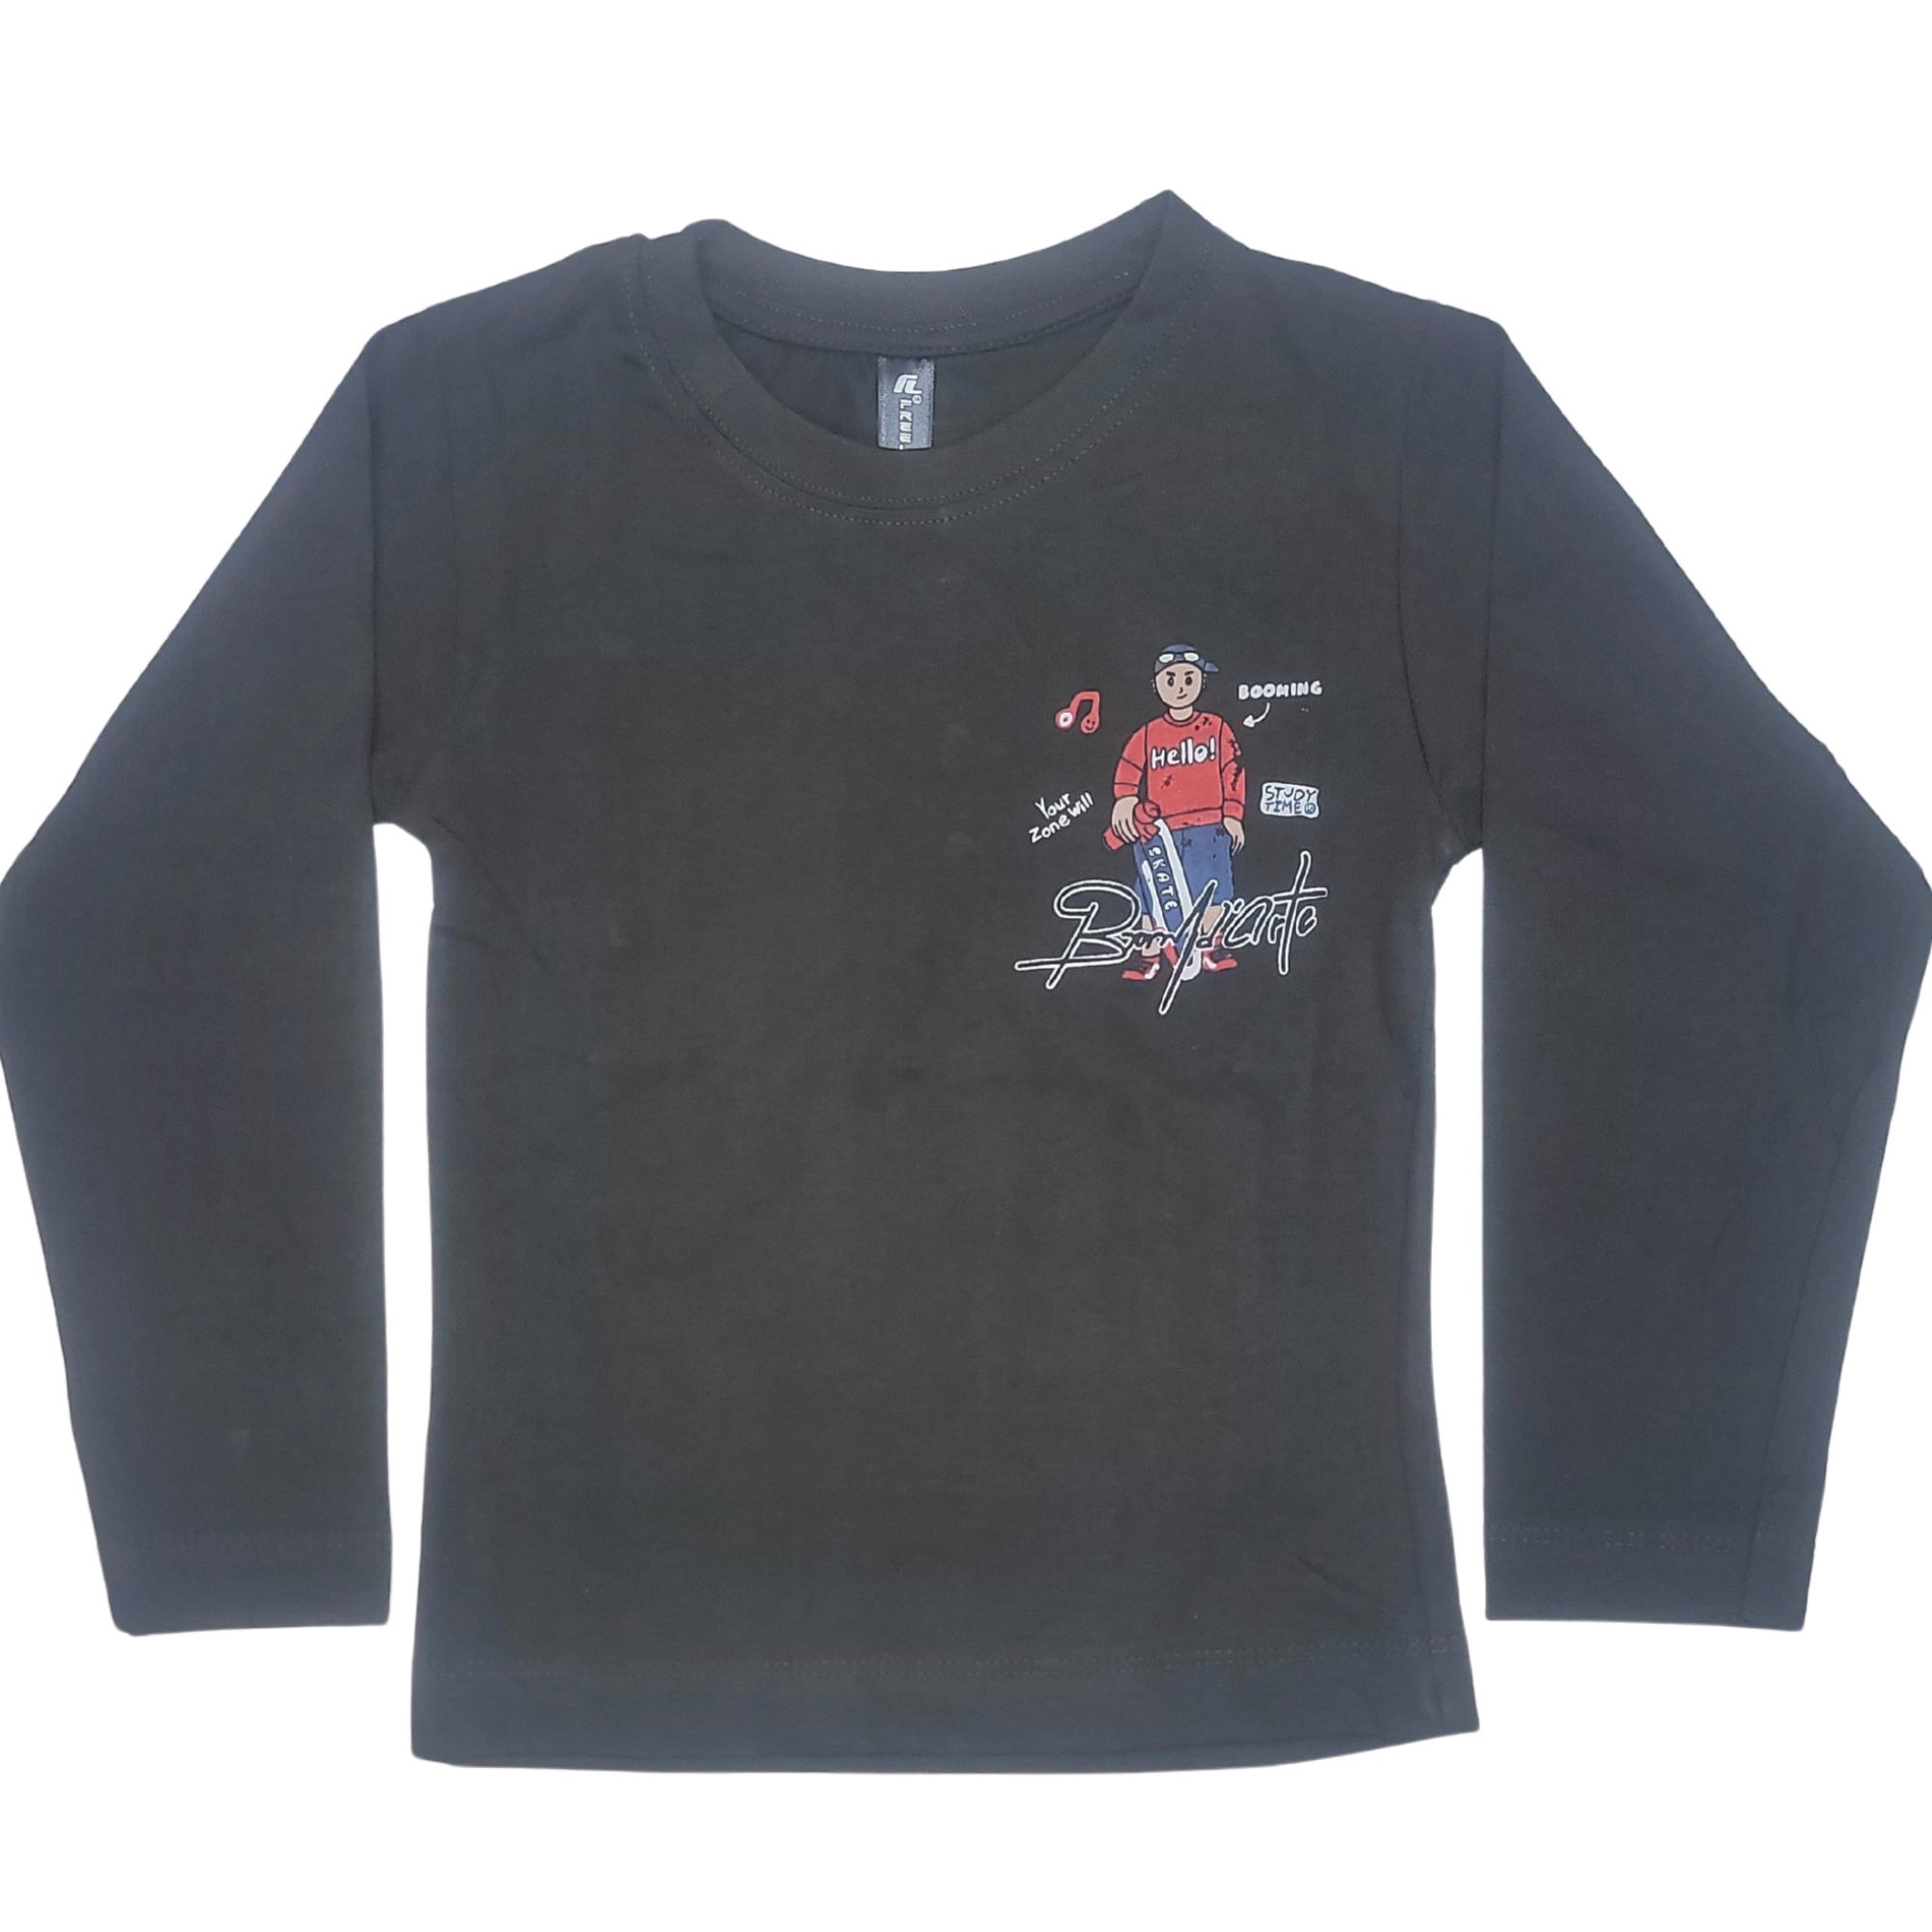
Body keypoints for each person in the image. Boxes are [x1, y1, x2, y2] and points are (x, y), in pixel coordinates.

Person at [1107, 645, 1246, 980]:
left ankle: (1212, 945)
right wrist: (1124, 801)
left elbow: (1233, 769)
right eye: (1170, 679)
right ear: (1156, 684)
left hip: (1209, 827)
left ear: (1201, 682)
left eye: (1188, 678)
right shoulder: (1147, 734)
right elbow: (1128, 768)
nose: (1180, 687)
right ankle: (1148, 953)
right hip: (1161, 834)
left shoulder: (1217, 727)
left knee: (1214, 889)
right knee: (1150, 892)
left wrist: (1233, 814)